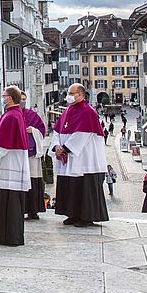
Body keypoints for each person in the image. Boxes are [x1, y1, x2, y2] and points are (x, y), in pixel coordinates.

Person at [47, 83, 109, 227]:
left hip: (85, 160)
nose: (68, 96)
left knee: (84, 188)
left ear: (80, 95)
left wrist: (65, 149)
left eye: (71, 93)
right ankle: (73, 214)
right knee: (71, 187)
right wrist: (56, 145)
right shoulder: (68, 110)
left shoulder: (88, 112)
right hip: (69, 158)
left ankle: (87, 216)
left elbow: (83, 134)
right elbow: (57, 131)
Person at [0, 85, 31, 246]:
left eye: (4, 95)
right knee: (9, 200)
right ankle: (7, 234)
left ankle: (10, 236)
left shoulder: (11, 116)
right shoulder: (14, 114)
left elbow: (3, 144)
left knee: (10, 201)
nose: (2, 97)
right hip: (12, 161)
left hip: (10, 164)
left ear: (10, 98)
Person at [19, 92, 46, 220]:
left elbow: (42, 130)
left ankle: (33, 210)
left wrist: (33, 131)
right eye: (20, 99)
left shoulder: (32, 115)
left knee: (33, 180)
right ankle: (21, 208)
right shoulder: (10, 114)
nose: (22, 101)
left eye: (24, 99)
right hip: (18, 154)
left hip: (31, 154)